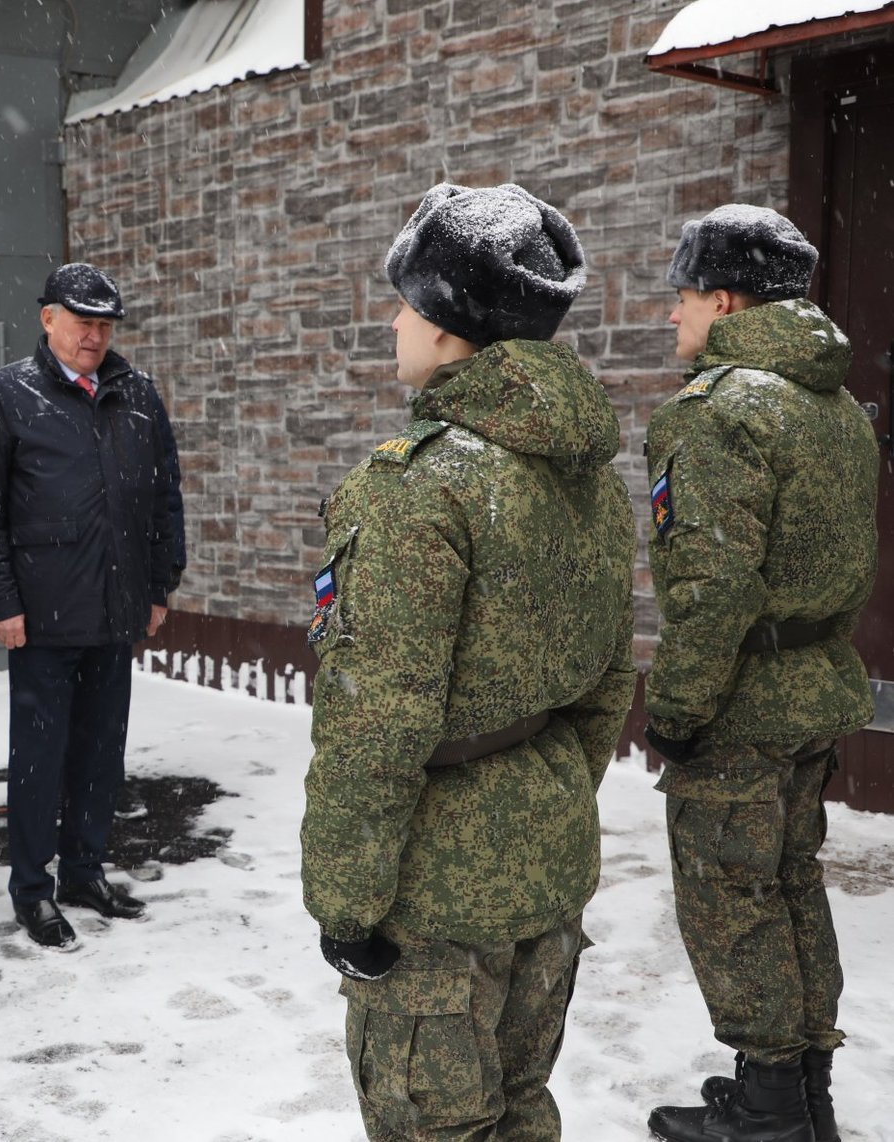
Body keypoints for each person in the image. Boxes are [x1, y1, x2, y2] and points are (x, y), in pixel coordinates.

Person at [299, 183, 635, 1141]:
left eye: (406, 304)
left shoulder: (418, 484)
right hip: (548, 850)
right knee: (522, 1107)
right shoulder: (586, 474)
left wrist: (347, 903)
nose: (395, 324)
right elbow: (610, 677)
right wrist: (557, 784)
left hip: (436, 892)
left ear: (451, 331)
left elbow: (374, 718)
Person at [643, 206, 874, 1142]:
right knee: (789, 884)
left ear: (727, 301)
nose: (673, 317)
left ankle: (773, 1111)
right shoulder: (833, 406)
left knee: (732, 903)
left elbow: (709, 590)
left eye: (685, 297)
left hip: (742, 702)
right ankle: (804, 1092)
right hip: (815, 687)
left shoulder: (716, 412)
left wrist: (675, 713)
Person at [0, 263, 181, 949]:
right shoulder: (4, 396)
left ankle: (85, 870)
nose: (95, 336)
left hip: (117, 610)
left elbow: (165, 495)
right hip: (43, 617)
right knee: (39, 759)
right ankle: (33, 889)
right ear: (48, 318)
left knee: (100, 754)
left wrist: (160, 585)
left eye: (105, 325)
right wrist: (2, 601)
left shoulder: (135, 393)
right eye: (83, 322)